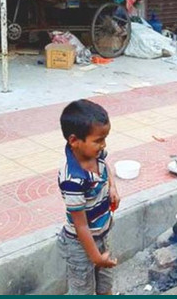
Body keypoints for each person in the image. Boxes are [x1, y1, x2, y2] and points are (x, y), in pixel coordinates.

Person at [57, 99, 120, 295]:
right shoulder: (73, 179)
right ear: (74, 141)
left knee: (105, 285)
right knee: (82, 290)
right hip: (80, 244)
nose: (103, 145)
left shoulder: (95, 153)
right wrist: (96, 258)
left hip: (102, 234)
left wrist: (112, 186)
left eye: (105, 138)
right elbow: (80, 225)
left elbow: (105, 166)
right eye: (99, 140)